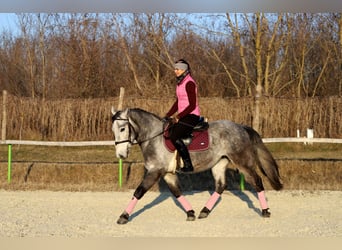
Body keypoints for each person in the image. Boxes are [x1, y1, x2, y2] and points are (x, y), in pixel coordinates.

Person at [164, 59, 201, 172]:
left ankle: (188, 165)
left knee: (175, 135)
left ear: (184, 69)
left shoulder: (189, 82)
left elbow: (192, 105)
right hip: (184, 115)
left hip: (191, 115)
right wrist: (168, 115)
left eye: (177, 69)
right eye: (175, 69)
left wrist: (178, 117)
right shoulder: (180, 83)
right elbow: (178, 102)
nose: (175, 71)